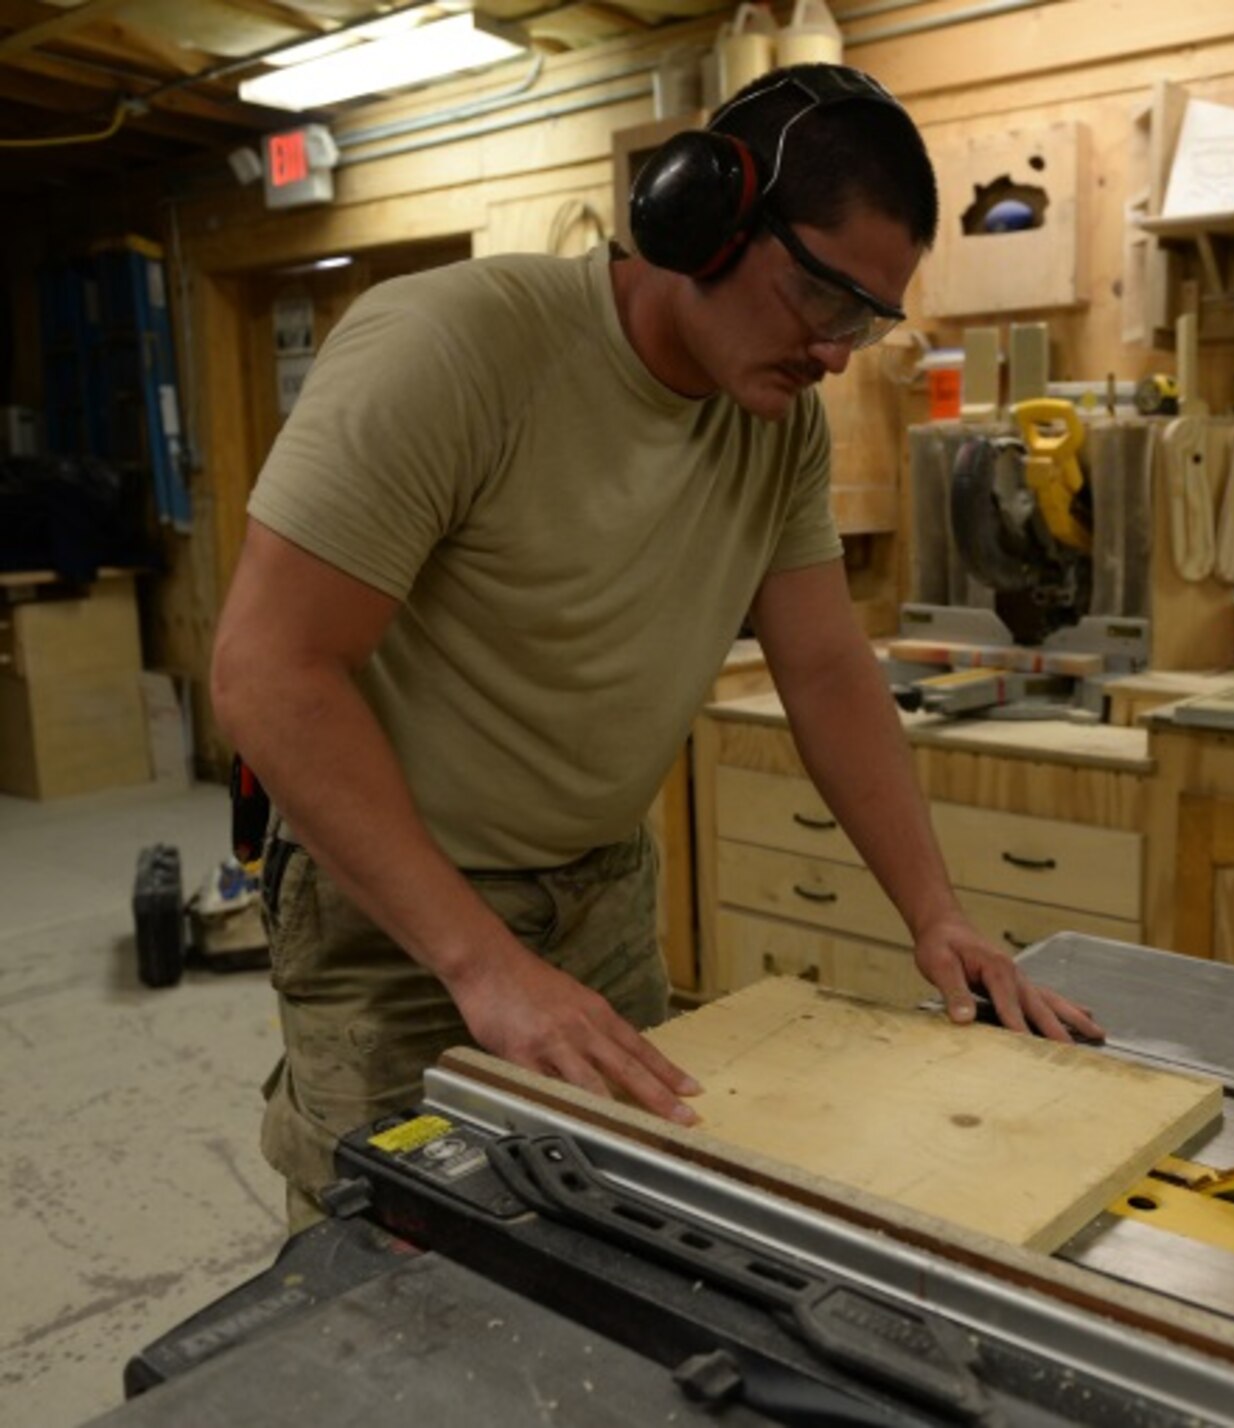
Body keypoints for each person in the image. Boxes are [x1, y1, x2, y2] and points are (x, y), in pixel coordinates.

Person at [210, 62, 1104, 1229]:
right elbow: (267, 673)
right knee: (386, 1262)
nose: (837, 353)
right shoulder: (452, 348)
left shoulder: (772, 420)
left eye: (867, 324)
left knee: (607, 1230)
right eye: (825, 300)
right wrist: (481, 963)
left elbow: (828, 671)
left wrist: (934, 914)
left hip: (600, 890)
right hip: (396, 911)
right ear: (706, 221)